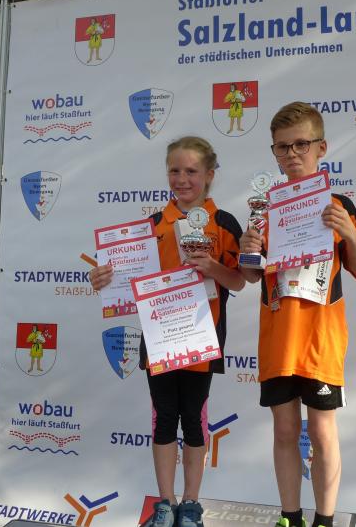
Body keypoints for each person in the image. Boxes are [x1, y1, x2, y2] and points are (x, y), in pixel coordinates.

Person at [89, 137, 244, 527]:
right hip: (159, 339)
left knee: (193, 418)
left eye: (191, 171)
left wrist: (212, 267)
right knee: (163, 418)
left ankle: (191, 504)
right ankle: (166, 503)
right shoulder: (151, 227)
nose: (182, 179)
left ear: (209, 175)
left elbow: (240, 281)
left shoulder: (224, 224)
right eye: (175, 170)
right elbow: (125, 280)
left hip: (202, 339)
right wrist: (104, 279)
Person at [239, 102, 356, 527]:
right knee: (284, 431)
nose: (292, 154)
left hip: (320, 339)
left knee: (321, 431)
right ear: (274, 153)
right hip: (278, 337)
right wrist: (248, 249)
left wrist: (349, 233)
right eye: (282, 147)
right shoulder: (264, 209)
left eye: (301, 144)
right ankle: (290, 517)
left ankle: (325, 521)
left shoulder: (340, 205)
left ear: (321, 147)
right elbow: (250, 274)